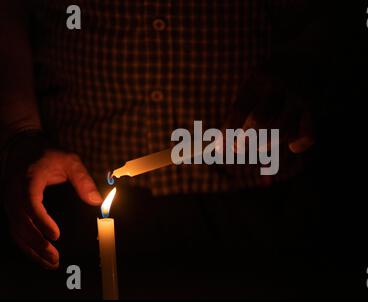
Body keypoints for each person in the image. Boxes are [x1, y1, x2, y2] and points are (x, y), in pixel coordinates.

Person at [0, 1, 317, 273]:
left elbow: (312, 20)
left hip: (253, 199)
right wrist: (22, 133)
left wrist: (298, 70)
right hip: (69, 195)